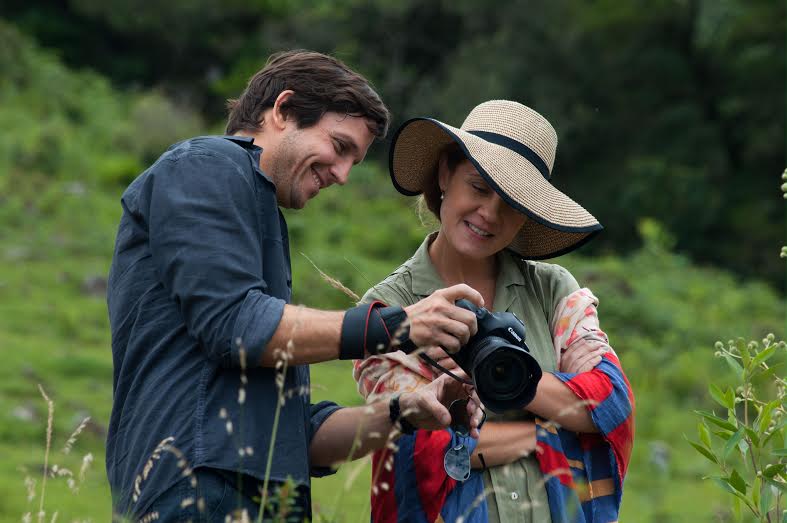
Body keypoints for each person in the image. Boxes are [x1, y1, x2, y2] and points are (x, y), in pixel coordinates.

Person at [106, 50, 486, 522]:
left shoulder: (255, 211)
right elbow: (237, 325)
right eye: (340, 146)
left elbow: (296, 439)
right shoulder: (207, 165)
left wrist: (406, 412)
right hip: (196, 491)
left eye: (354, 161)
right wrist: (401, 325)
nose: (343, 175)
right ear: (282, 110)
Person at [353, 100, 635, 522]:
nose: (489, 214)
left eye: (513, 203)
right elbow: (416, 444)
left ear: (527, 216)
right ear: (445, 174)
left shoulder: (552, 289)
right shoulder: (388, 309)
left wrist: (497, 377)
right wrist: (547, 427)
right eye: (479, 187)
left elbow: (610, 404)